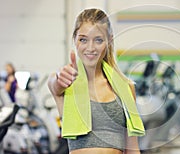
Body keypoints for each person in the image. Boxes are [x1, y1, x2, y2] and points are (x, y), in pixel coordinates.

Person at [48, 8, 141, 154]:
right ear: (75, 40)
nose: (90, 48)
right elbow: (54, 84)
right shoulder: (66, 85)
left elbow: (133, 149)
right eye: (83, 39)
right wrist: (59, 79)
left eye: (98, 40)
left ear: (109, 41)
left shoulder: (126, 88)